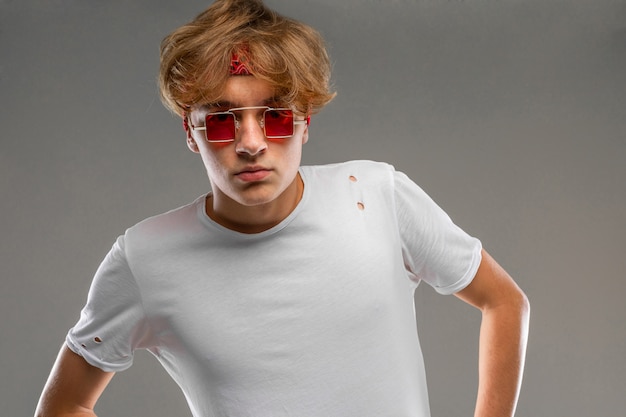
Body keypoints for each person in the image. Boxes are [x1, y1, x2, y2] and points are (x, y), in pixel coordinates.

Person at [35, 0, 530, 416]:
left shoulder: (376, 194)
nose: (251, 144)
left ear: (305, 122)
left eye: (275, 117)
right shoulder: (145, 257)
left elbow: (504, 301)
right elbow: (65, 406)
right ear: (191, 132)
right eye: (223, 121)